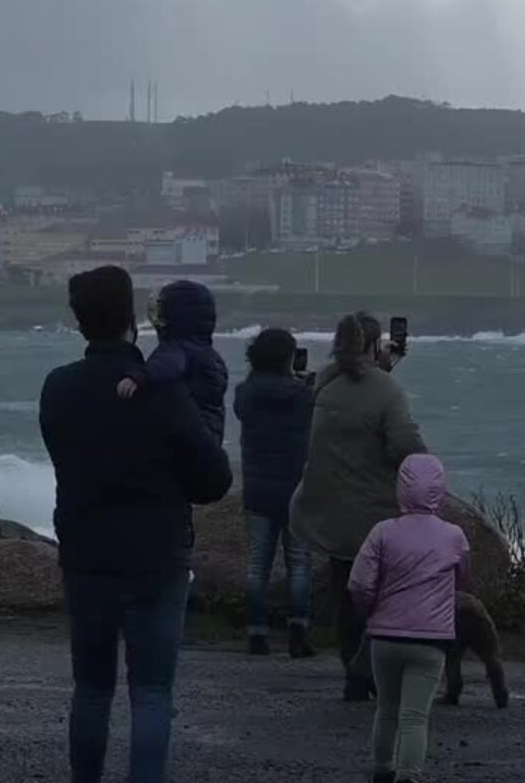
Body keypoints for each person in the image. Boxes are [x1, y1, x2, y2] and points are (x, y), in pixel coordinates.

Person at [40, 266, 232, 783]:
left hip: (85, 553)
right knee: (150, 692)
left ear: (80, 320)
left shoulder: (58, 387)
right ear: (133, 320)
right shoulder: (164, 392)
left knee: (91, 688)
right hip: (157, 556)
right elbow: (213, 480)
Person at [288, 312, 427, 701]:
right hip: (374, 512)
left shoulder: (325, 385)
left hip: (330, 510)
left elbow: (349, 390)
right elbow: (404, 445)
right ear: (374, 344)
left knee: (346, 595)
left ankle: (352, 672)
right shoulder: (386, 390)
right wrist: (428, 471)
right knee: (382, 597)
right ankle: (374, 671)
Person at [348, 454, 471, 783]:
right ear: (440, 490)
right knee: (415, 716)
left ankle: (381, 771)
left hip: (385, 637)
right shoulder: (454, 536)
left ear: (400, 487)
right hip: (431, 640)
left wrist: (370, 610)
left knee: (386, 709)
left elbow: (359, 583)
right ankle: (409, 775)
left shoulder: (382, 532)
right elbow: (463, 580)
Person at [232, 328, 314, 658]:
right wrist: (302, 383)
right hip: (296, 488)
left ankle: (256, 634)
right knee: (299, 564)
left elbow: (243, 408)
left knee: (257, 566)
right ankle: (298, 634)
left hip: (258, 488)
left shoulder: (245, 392)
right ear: (287, 358)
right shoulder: (302, 395)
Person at [113, 279, 229, 443]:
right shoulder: (211, 356)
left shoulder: (177, 348)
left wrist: (138, 376)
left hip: (187, 440)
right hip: (210, 438)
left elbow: (166, 365)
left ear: (175, 317)